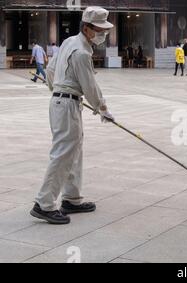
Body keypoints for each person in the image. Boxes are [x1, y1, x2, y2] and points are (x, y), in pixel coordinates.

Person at [30, 6, 115, 225]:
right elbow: (90, 87)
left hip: (62, 102)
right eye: (100, 30)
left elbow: (50, 70)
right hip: (66, 105)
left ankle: (72, 198)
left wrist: (57, 89)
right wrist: (103, 109)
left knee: (74, 151)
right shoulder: (82, 52)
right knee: (63, 153)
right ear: (87, 29)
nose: (103, 35)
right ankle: (44, 204)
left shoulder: (69, 42)